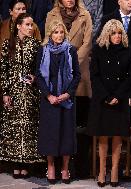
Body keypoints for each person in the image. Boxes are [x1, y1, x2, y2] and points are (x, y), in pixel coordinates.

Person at [45, 0, 92, 178]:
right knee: (54, 124)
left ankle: (74, 168)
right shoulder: (51, 14)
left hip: (77, 75)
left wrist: (70, 62)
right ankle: (52, 167)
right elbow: (46, 40)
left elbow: (87, 44)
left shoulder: (85, 14)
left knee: (74, 125)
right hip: (54, 76)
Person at [87, 19, 131, 187]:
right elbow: (95, 76)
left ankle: (114, 170)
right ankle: (102, 170)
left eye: (120, 33)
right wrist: (107, 96)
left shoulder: (128, 51)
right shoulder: (98, 50)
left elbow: (130, 76)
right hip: (102, 99)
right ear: (107, 34)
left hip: (120, 99)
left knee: (117, 136)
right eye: (113, 33)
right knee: (103, 136)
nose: (117, 36)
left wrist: (118, 96)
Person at [36, 20, 81, 184]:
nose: (59, 35)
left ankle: (64, 168)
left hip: (66, 99)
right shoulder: (43, 50)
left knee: (66, 134)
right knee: (50, 134)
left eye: (61, 32)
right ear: (50, 34)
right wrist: (49, 96)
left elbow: (77, 75)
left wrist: (68, 94)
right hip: (49, 99)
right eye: (56, 32)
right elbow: (39, 76)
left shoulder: (71, 51)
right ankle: (51, 167)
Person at [0, 13, 44, 178]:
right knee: (13, 128)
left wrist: (35, 77)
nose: (30, 28)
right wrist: (5, 92)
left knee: (28, 128)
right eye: (27, 25)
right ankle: (15, 165)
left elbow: (40, 69)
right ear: (18, 26)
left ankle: (26, 165)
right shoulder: (7, 44)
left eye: (31, 25)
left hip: (30, 93)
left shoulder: (36, 45)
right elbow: (3, 70)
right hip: (13, 91)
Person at [99, 0, 131, 101]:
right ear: (119, 2)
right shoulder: (107, 19)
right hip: (113, 72)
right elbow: (103, 44)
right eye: (127, 0)